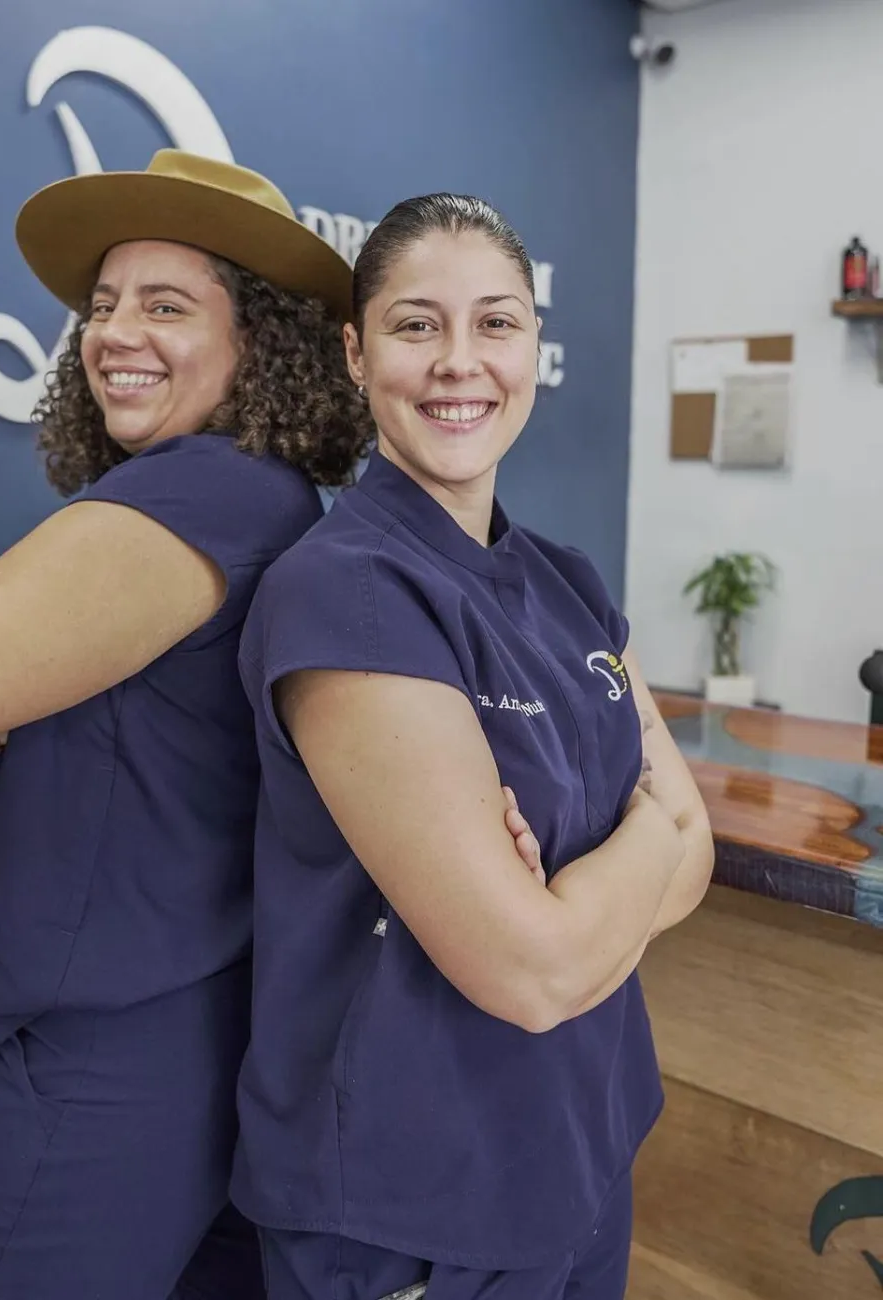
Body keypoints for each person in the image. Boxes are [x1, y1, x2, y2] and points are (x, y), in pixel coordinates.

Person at [0, 149, 373, 1300]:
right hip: (221, 1015)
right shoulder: (278, 498)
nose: (114, 332)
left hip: (104, 1054)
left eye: (168, 305)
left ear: (259, 343)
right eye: (103, 304)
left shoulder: (199, 494)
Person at [232, 193, 715, 1300]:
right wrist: (646, 821)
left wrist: (585, 879)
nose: (461, 362)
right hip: (414, 1204)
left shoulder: (566, 579)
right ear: (357, 353)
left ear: (534, 350)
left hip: (579, 1154)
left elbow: (699, 862)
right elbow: (534, 969)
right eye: (416, 325)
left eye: (496, 323)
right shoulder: (347, 592)